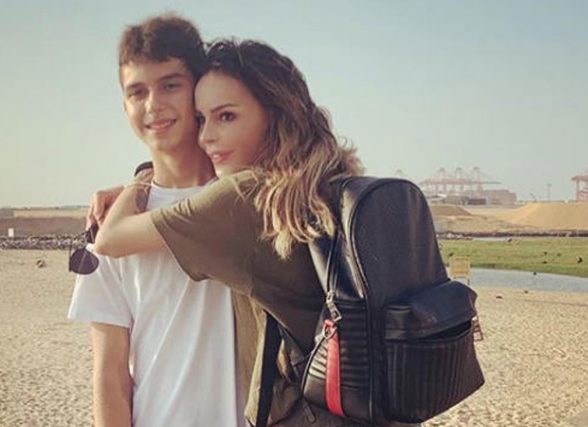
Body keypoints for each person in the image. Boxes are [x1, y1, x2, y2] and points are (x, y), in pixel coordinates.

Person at [94, 39, 416, 427]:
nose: (206, 136)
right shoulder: (322, 182)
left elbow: (110, 240)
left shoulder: (245, 197)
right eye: (201, 119)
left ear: (274, 115)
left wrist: (142, 179)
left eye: (226, 117)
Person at [68, 15, 249, 427]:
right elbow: (110, 375)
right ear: (124, 105)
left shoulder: (251, 198)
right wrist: (139, 185)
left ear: (198, 89)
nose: (153, 105)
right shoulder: (105, 225)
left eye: (170, 85)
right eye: (137, 92)